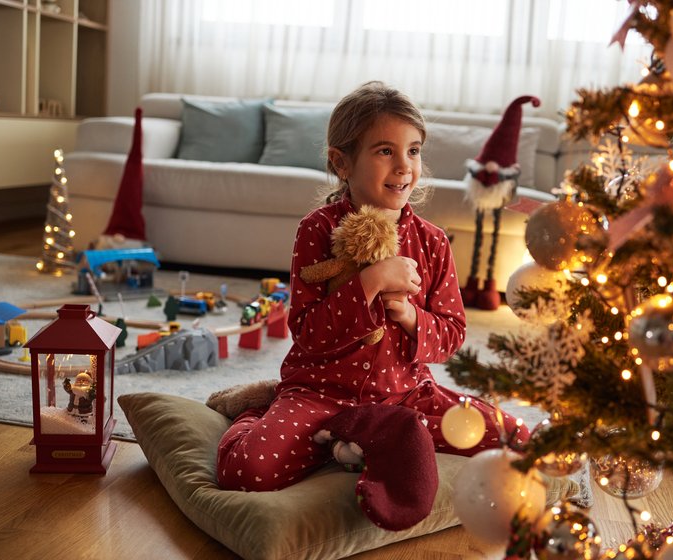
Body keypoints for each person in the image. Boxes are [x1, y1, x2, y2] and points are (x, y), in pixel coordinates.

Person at [216, 81, 529, 492]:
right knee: (245, 471)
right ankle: (265, 409)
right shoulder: (317, 230)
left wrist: (409, 315)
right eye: (385, 151)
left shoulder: (432, 241)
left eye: (413, 151)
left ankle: (371, 435)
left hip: (406, 397)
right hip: (320, 395)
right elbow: (307, 334)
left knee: (517, 439)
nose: (404, 166)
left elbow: (452, 333)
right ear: (341, 163)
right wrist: (369, 281)